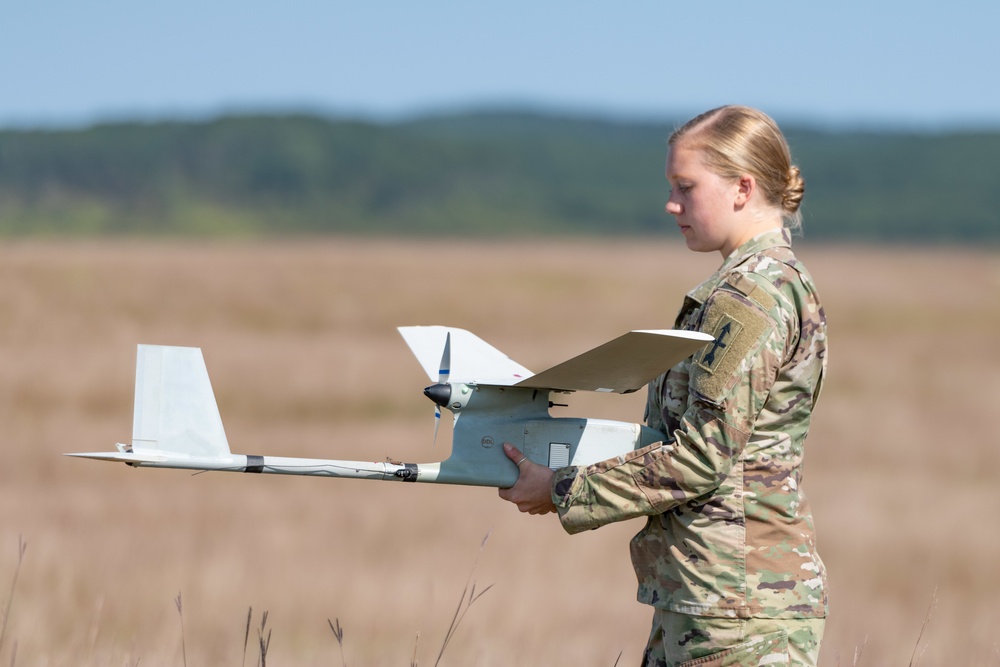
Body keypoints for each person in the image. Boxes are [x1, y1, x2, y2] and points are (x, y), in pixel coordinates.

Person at [499, 105, 828, 667]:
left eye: (686, 186)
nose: (671, 204)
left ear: (742, 188)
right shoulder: (758, 285)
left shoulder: (750, 297)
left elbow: (702, 458)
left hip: (735, 608)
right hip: (713, 593)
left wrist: (562, 489)